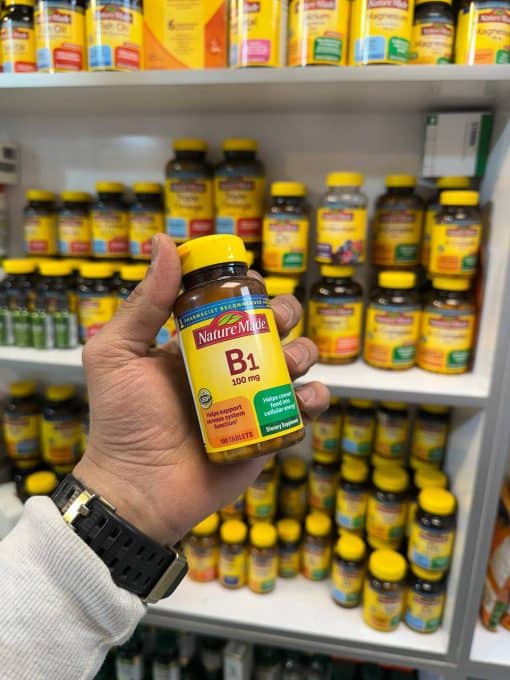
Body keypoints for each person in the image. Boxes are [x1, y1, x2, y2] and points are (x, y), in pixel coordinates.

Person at [0, 234, 329, 680]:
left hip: (250, 419)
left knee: (278, 338)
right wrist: (129, 492)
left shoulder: (238, 292)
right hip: (218, 431)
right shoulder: (199, 301)